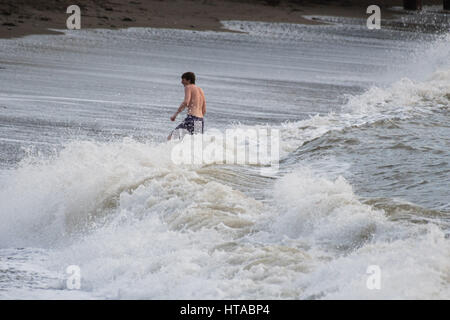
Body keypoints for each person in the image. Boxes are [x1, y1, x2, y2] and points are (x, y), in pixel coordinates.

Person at [168, 72, 206, 140]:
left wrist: (175, 115)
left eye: (183, 80)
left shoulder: (188, 87)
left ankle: (167, 150)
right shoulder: (200, 90)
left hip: (192, 118)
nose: (181, 82)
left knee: (171, 138)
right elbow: (204, 110)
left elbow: (186, 102)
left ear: (189, 80)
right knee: (195, 142)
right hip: (200, 120)